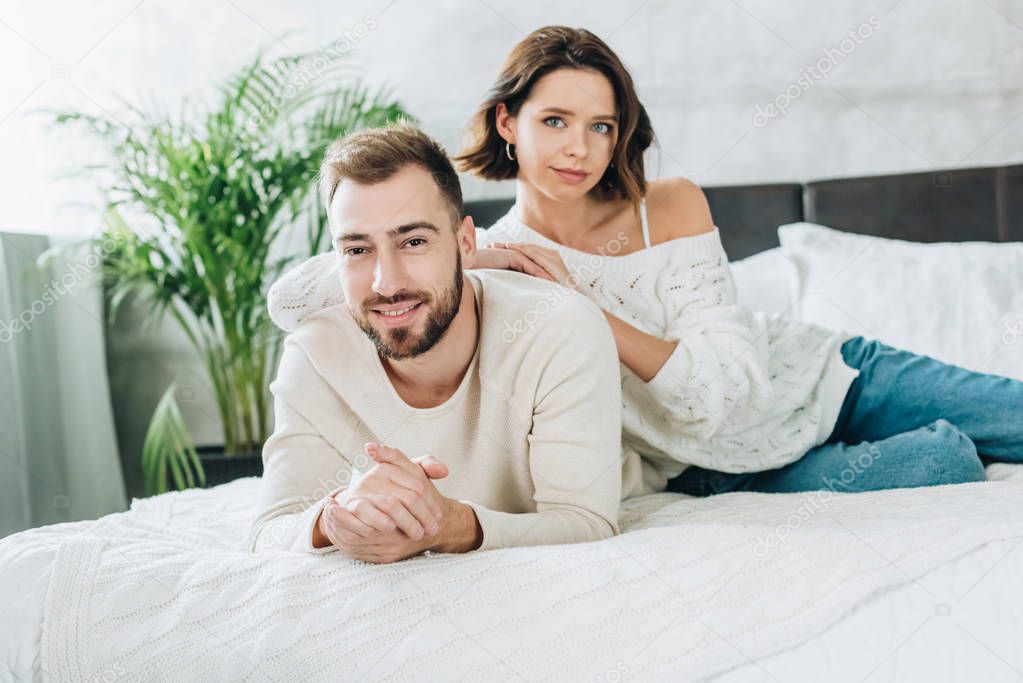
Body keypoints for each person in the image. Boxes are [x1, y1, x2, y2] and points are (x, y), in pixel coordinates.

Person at [266, 26, 1023, 501]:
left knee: (1012, 414)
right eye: (554, 121)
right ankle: (943, 443)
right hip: (709, 469)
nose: (579, 148)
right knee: (939, 465)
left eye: (601, 125)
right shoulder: (481, 259)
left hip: (825, 380)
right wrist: (421, 252)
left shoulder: (668, 204)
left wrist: (581, 304)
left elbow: (728, 389)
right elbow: (292, 302)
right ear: (507, 121)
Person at [248, 123, 640, 563]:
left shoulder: (558, 328)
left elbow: (586, 522)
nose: (387, 283)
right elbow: (271, 530)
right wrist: (334, 518)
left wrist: (445, 525)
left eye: (414, 241)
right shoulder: (315, 352)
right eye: (358, 250)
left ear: (466, 242)